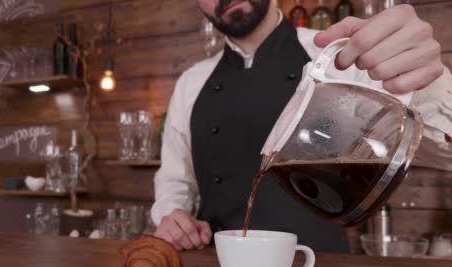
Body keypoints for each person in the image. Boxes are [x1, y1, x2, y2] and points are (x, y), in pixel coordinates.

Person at [150, 0, 452, 252]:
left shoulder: (337, 57)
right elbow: (175, 180)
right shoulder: (191, 83)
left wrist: (427, 83)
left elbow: (444, 155)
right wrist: (171, 214)